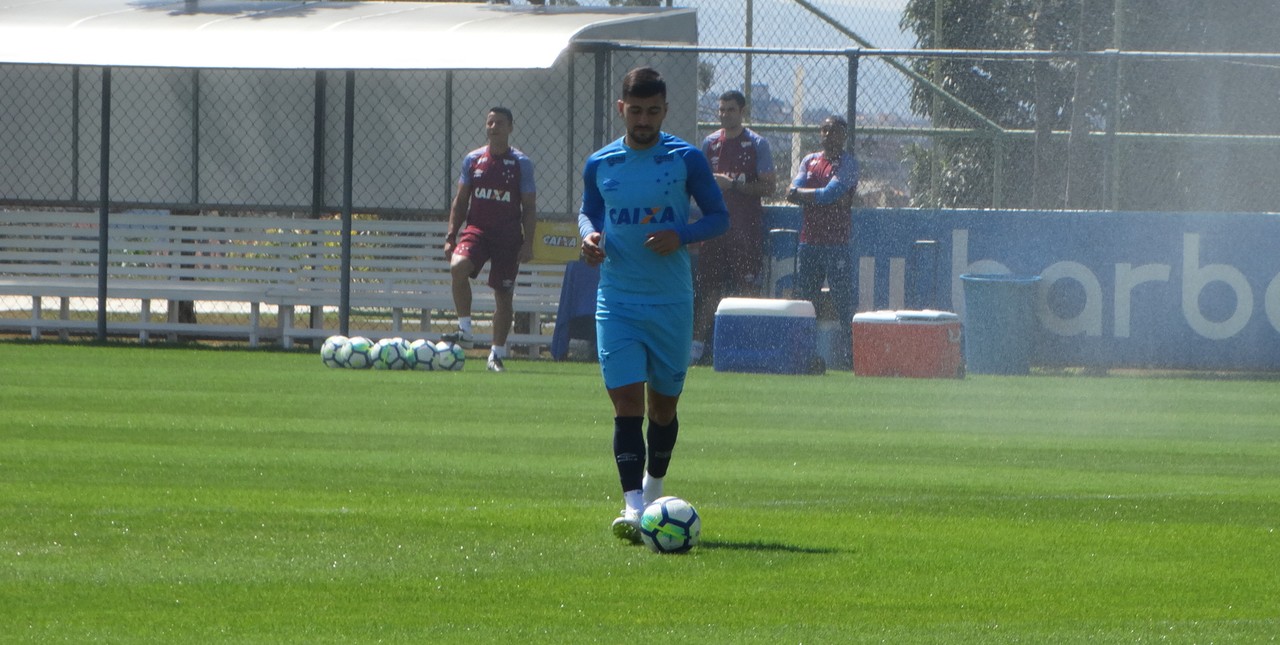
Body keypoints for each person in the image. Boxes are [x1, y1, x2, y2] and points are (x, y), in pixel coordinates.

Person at [577, 67, 729, 544]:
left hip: (670, 301)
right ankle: (632, 506)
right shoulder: (600, 162)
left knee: (663, 407)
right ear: (622, 109)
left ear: (665, 110)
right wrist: (589, 236)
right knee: (626, 404)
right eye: (636, 111)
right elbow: (589, 210)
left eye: (653, 111)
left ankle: (655, 487)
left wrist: (679, 234)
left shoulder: (686, 158)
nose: (644, 119)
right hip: (617, 298)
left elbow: (719, 218)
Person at [443, 107, 537, 372]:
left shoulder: (521, 163)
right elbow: (461, 201)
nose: (493, 127)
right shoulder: (473, 160)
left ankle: (495, 354)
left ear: (510, 128)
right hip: (478, 231)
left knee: (504, 295)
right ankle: (465, 330)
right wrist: (451, 236)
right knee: (458, 266)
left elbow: (529, 207)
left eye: (499, 123)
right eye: (490, 122)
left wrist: (528, 242)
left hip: (507, 236)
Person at [691, 90, 776, 365]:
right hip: (714, 230)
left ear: (742, 112)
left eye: (730, 110)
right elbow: (696, 184)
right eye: (721, 110)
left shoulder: (757, 144)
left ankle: (749, 349)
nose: (724, 114)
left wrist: (734, 185)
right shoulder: (710, 143)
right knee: (709, 290)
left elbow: (769, 185)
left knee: (747, 289)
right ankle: (697, 348)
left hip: (745, 229)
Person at [786, 115, 860, 366]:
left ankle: (852, 357)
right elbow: (791, 192)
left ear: (844, 136)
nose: (829, 135)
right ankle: (803, 354)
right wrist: (819, 196)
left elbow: (831, 194)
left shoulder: (848, 164)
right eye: (825, 130)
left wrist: (805, 195)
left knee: (843, 302)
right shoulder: (809, 160)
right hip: (810, 242)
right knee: (807, 301)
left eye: (835, 131)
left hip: (836, 243)